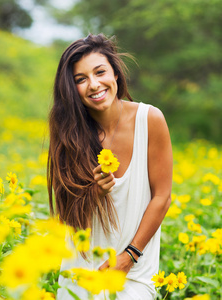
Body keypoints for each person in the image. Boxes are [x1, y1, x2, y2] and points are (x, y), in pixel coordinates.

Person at [47, 33, 173, 300]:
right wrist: (94, 192)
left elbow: (162, 197)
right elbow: (68, 217)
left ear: (115, 73)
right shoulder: (69, 132)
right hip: (81, 269)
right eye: (80, 80)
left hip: (134, 270)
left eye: (100, 72)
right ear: (72, 90)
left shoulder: (150, 120)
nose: (94, 85)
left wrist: (129, 256)